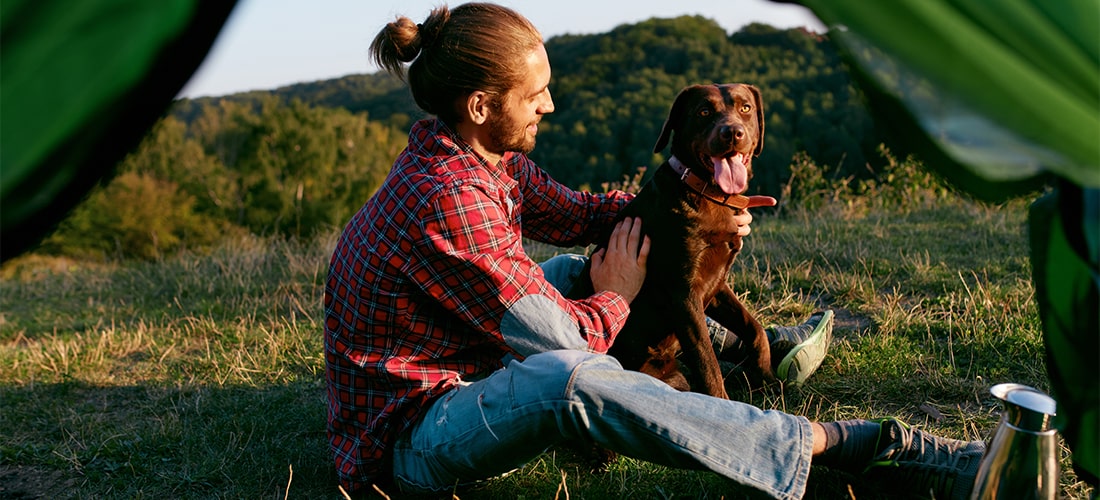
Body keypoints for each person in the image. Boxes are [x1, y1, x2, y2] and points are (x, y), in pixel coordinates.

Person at [323, 3, 984, 498]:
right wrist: (616, 294)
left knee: (574, 270)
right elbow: (566, 344)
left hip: (467, 359)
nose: (549, 106)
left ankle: (746, 345)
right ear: (479, 104)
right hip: (409, 437)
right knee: (569, 377)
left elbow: (587, 213)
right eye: (536, 95)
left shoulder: (486, 161)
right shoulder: (448, 198)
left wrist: (698, 209)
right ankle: (854, 446)